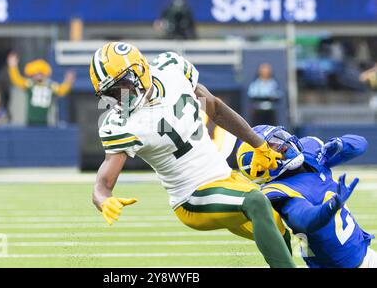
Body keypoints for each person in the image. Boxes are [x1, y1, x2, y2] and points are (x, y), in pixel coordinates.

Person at [90, 42, 295, 268]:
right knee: (257, 202)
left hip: (226, 180)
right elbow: (103, 184)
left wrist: (259, 144)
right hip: (192, 198)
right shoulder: (121, 125)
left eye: (123, 86)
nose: (121, 97)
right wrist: (104, 200)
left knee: (278, 228)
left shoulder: (172, 69)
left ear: (141, 70)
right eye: (111, 92)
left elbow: (215, 108)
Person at [236, 125, 376, 268]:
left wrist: (341, 144)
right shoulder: (278, 191)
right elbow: (304, 220)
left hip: (366, 254)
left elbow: (361, 144)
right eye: (273, 145)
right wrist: (329, 207)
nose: (285, 144)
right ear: (259, 166)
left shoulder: (310, 152)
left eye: (279, 137)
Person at [6, 52, 76, 126]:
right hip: (30, 121)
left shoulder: (50, 86)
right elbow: (17, 80)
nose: (38, 76)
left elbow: (61, 90)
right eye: (36, 73)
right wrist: (12, 67)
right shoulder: (30, 84)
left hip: (45, 121)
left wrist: (68, 82)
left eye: (41, 73)